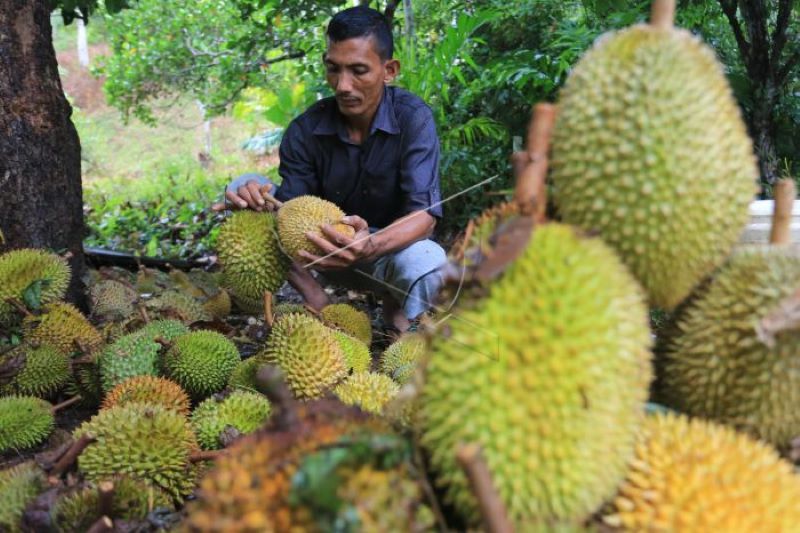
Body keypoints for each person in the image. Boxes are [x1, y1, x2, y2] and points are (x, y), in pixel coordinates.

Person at [216, 6, 447, 334]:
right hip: (323, 255)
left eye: (358, 71)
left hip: (386, 254)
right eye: (333, 70)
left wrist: (370, 245)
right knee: (244, 189)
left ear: (389, 70)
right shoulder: (305, 130)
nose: (342, 85)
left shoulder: (413, 118)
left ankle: (402, 319)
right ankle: (318, 298)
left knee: (429, 260)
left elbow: (424, 216)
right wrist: (317, 299)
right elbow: (285, 216)